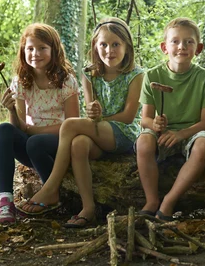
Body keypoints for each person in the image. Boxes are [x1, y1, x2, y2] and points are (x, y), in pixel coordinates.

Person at [17, 17, 144, 228]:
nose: (109, 50)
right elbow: (90, 114)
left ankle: (50, 187)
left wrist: (98, 119)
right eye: (103, 44)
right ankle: (88, 208)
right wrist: (94, 114)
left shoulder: (136, 75)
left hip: (124, 134)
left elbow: (129, 116)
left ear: (127, 47)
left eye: (115, 44)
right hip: (98, 134)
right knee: (79, 144)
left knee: (70, 125)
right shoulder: (89, 75)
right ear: (95, 46)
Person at [0, 23, 80, 224]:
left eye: (42, 48)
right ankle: (5, 201)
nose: (35, 53)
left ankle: (52, 192)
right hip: (32, 143)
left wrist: (33, 131)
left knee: (36, 142)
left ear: (54, 50)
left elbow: (72, 124)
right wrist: (11, 111)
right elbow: (20, 127)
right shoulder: (22, 80)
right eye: (30, 48)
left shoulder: (66, 81)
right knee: (4, 129)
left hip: (58, 143)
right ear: (23, 51)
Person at [136, 17, 205, 221]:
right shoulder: (152, 75)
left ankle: (169, 202)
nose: (181, 46)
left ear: (198, 48)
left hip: (192, 133)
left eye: (188, 42)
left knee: (204, 143)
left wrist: (181, 133)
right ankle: (152, 200)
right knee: (144, 141)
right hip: (162, 134)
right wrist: (155, 124)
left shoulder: (203, 78)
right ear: (165, 47)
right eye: (175, 41)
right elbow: (144, 119)